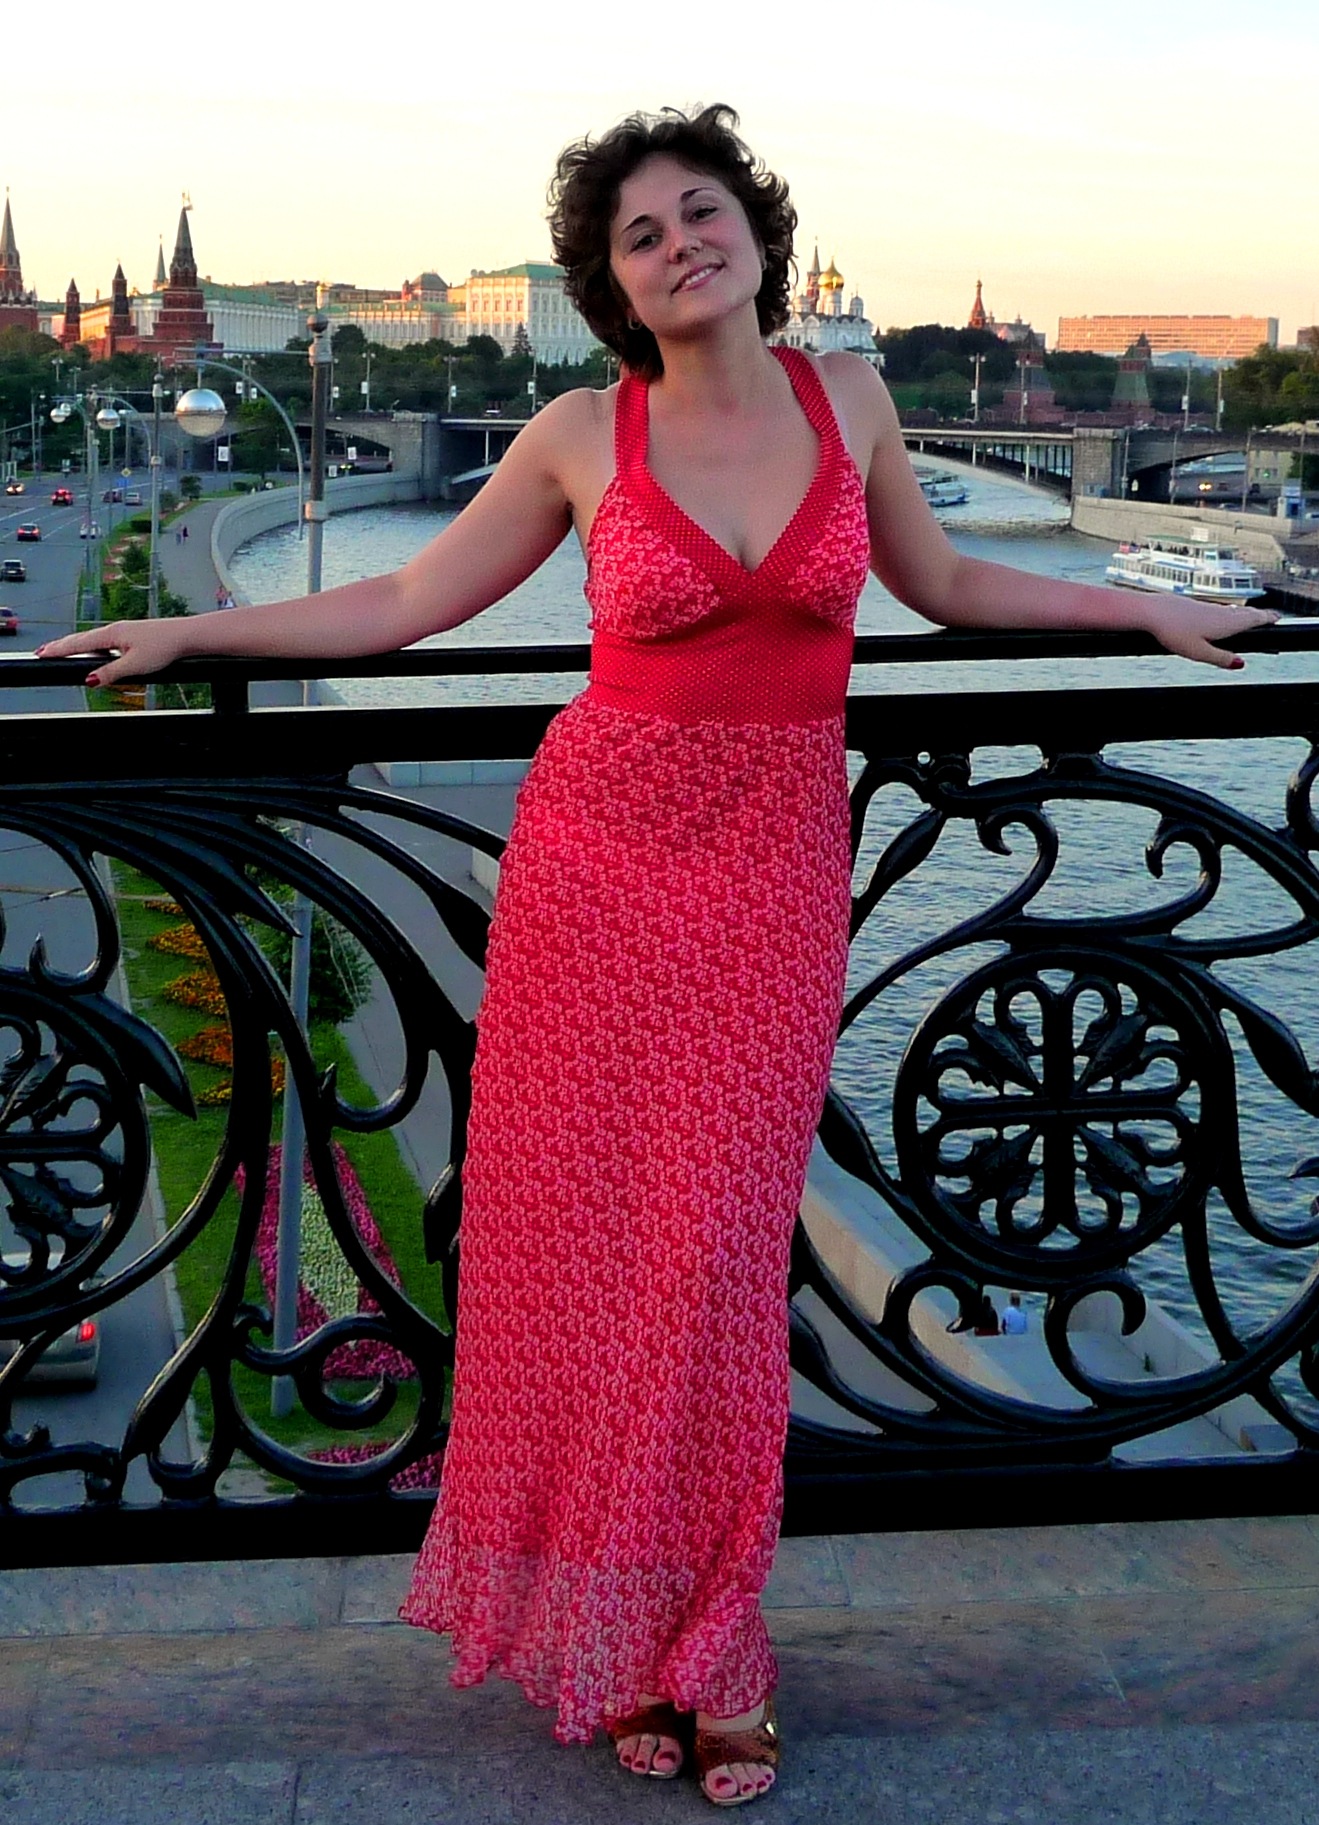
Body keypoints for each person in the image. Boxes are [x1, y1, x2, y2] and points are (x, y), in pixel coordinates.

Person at [36, 104, 1275, 1809]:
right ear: (613, 286)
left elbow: (946, 581)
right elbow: (399, 604)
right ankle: (631, 1638)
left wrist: (1144, 608)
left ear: (757, 234)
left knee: (714, 1273)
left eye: (702, 212)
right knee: (599, 1271)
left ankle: (715, 1637)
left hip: (767, 882)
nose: (680, 243)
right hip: (598, 876)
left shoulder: (853, 398)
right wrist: (188, 629)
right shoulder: (578, 432)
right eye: (641, 234)